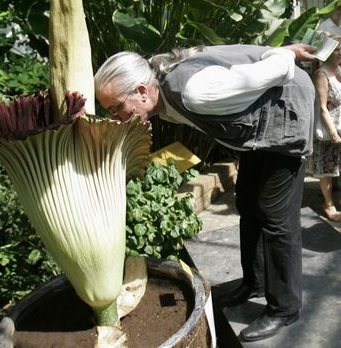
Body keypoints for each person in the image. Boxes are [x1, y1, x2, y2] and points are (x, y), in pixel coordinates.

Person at [94, 43, 316, 342]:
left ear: (142, 91)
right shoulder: (166, 89)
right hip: (258, 131)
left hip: (286, 113)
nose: (116, 117)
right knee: (248, 203)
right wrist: (275, 48)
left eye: (115, 108)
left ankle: (285, 307)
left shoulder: (195, 91)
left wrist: (282, 53)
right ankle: (256, 282)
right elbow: (227, 52)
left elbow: (279, 68)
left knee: (275, 216)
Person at [310, 36, 341, 222]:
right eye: (338, 50)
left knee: (338, 167)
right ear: (329, 52)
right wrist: (333, 133)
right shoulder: (321, 74)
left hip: (340, 126)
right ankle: (328, 204)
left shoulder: (337, 70)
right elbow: (322, 108)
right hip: (330, 129)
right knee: (327, 169)